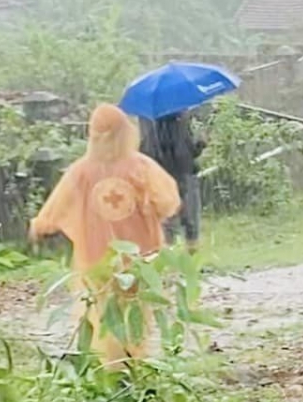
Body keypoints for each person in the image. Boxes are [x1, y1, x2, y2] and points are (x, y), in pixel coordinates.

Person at [31, 104, 181, 361]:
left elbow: (56, 207)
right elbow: (167, 203)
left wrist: (39, 226)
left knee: (102, 313)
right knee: (136, 311)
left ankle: (110, 365)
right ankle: (134, 361)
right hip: (139, 257)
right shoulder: (141, 167)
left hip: (96, 257)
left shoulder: (80, 171)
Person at [138, 109, 205, 250]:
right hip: (180, 176)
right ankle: (188, 258)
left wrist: (198, 145)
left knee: (172, 222)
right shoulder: (174, 126)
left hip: (173, 177)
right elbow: (186, 153)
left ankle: (176, 259)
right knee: (186, 221)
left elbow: (145, 154)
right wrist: (198, 145)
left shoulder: (151, 129)